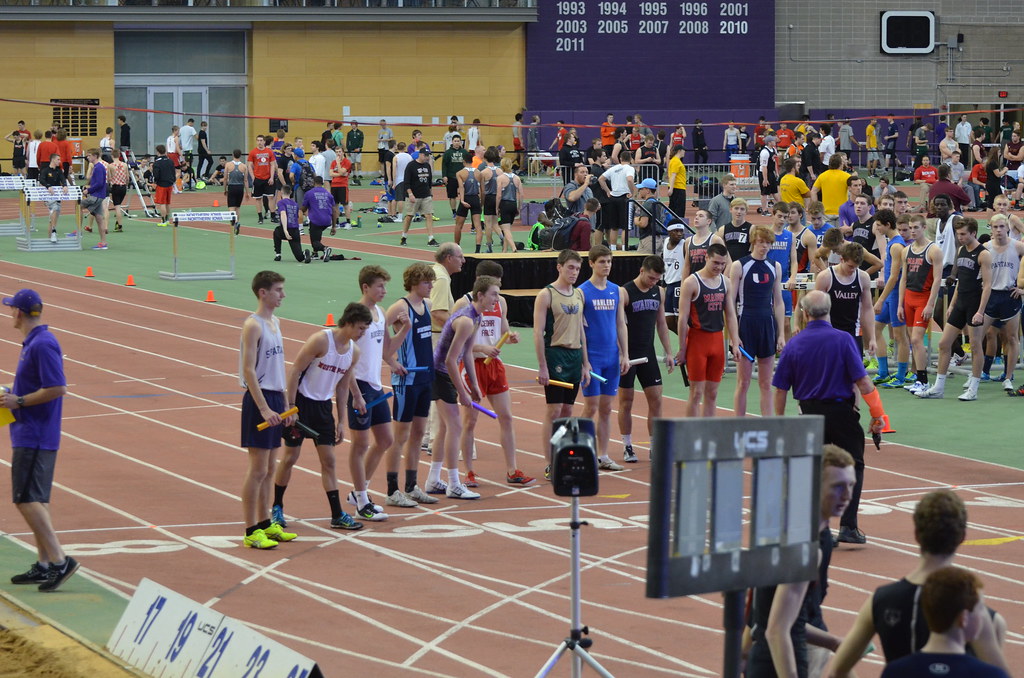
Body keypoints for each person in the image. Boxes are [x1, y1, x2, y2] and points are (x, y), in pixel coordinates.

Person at [829, 490, 1009, 678]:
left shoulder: (882, 600)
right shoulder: (972, 605)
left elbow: (838, 671)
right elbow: (999, 672)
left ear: (916, 534)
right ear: (962, 536)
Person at [773, 290, 888, 545]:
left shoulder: (794, 343)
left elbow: (780, 389)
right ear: (829, 310)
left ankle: (818, 527)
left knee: (812, 468)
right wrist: (878, 414)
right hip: (842, 413)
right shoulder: (844, 339)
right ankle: (848, 525)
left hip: (809, 412)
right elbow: (864, 383)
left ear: (804, 313)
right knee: (854, 464)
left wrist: (778, 421)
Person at [745, 445, 856, 678]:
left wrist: (834, 642)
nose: (847, 495)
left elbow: (768, 613)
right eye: (837, 487)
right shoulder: (804, 547)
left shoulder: (788, 531)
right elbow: (776, 629)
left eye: (851, 485)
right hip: (780, 665)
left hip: (769, 660)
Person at [1, 290, 78, 592]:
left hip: (35, 434)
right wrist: (12, 393)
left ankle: (60, 561)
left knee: (25, 499)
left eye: (11, 310)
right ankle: (44, 564)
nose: (9, 314)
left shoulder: (43, 344)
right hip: (31, 431)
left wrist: (17, 400)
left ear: (18, 313)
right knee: (37, 499)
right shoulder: (35, 343)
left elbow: (58, 388)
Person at [270, 304, 368, 531]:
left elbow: (343, 387)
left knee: (330, 461)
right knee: (290, 458)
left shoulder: (354, 351)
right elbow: (295, 371)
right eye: (361, 328)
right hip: (302, 404)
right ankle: (277, 507)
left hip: (323, 409)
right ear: (350, 323)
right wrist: (291, 407)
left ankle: (336, 515)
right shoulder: (320, 340)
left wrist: (341, 421)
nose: (362, 333)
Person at [451, 261, 536, 485]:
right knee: (470, 421)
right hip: (472, 366)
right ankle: (468, 471)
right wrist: (480, 348)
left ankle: (512, 469)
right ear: (481, 284)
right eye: (494, 289)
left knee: (507, 417)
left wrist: (511, 336)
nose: (497, 295)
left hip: (495, 365)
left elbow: (503, 328)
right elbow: (454, 341)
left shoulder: (502, 303)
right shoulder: (463, 303)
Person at [426, 276, 500, 500]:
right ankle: (454, 483)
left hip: (444, 373)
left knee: (448, 429)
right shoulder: (467, 320)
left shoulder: (476, 317)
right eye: (494, 294)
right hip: (441, 373)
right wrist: (462, 391)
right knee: (455, 427)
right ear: (480, 295)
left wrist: (474, 386)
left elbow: (467, 352)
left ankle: (432, 478)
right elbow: (450, 359)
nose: (497, 299)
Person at [238, 271, 298, 549]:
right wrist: (263, 408)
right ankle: (251, 528)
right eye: (278, 290)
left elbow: (278, 367)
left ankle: (265, 523)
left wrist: (285, 404)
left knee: (270, 468)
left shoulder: (275, 322)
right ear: (263, 293)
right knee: (258, 469)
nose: (283, 295)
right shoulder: (254, 325)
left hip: (276, 398)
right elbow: (249, 369)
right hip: (259, 400)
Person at [381, 263, 443, 507]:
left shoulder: (426, 306)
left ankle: (411, 486)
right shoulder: (399, 307)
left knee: (418, 433)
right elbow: (378, 332)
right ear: (415, 283)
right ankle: (391, 490)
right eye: (428, 282)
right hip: (406, 381)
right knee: (400, 436)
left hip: (424, 378)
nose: (431, 287)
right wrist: (391, 361)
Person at [347, 266, 405, 520]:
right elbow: (345, 355)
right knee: (361, 445)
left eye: (385, 286)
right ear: (365, 287)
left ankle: (361, 491)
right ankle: (361, 501)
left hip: (374, 385)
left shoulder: (381, 314)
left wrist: (404, 331)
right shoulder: (355, 315)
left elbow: (385, 349)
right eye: (379, 286)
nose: (384, 291)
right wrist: (355, 394)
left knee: (385, 440)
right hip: (358, 386)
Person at [877, 568, 1009, 678]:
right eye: (980, 609)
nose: (984, 616)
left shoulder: (895, 671)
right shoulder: (989, 674)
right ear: (963, 618)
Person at [918, 218, 992, 400]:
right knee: (944, 344)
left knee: (975, 346)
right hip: (960, 304)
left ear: (973, 233)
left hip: (975, 304)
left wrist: (980, 312)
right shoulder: (960, 250)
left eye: (963, 234)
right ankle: (939, 387)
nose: (960, 237)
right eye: (958, 234)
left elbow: (988, 285)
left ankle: (973, 388)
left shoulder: (984, 255)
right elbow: (960, 282)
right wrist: (951, 305)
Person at [534, 250, 590, 478]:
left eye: (577, 269)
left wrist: (586, 363)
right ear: (559, 267)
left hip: (574, 357)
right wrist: (542, 365)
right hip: (555, 355)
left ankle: (562, 455)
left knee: (567, 411)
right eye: (570, 268)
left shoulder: (579, 294)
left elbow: (582, 332)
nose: (574, 272)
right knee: (554, 411)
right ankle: (551, 461)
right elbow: (538, 333)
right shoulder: (546, 294)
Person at [617, 256, 675, 462]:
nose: (653, 282)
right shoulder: (625, 292)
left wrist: (668, 352)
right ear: (642, 271)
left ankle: (654, 446)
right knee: (626, 401)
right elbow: (619, 326)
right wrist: (622, 354)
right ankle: (627, 445)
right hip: (628, 355)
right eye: (651, 278)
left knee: (656, 399)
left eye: (657, 279)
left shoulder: (658, 292)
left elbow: (661, 324)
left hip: (647, 353)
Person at [579, 245, 630, 471]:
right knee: (590, 407)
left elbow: (621, 323)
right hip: (593, 358)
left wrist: (625, 354)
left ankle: (603, 455)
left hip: (611, 358)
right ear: (591, 263)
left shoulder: (616, 290)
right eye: (601, 262)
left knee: (608, 408)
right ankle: (582, 452)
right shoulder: (582, 292)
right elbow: (579, 329)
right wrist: (585, 361)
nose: (606, 265)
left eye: (609, 261)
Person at [675, 243, 739, 416]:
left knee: (712, 394)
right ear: (706, 258)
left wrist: (735, 341)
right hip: (697, 341)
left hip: (717, 342)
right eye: (715, 263)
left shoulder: (725, 283)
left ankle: (708, 433)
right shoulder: (691, 283)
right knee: (696, 393)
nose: (719, 267)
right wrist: (682, 348)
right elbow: (682, 318)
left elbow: (731, 314)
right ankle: (693, 435)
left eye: (722, 264)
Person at [730, 225, 785, 417]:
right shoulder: (739, 265)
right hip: (746, 322)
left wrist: (781, 335)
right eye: (761, 242)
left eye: (768, 243)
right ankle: (739, 426)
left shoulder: (774, 266)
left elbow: (778, 302)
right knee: (743, 382)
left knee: (766, 382)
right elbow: (730, 302)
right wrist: (733, 336)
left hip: (767, 325)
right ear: (753, 241)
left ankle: (767, 425)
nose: (765, 246)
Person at [898, 214, 943, 394]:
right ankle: (918, 378)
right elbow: (903, 279)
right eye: (911, 228)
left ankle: (923, 381)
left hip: (923, 299)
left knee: (917, 339)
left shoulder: (933, 250)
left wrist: (930, 304)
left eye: (916, 227)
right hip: (909, 298)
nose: (913, 231)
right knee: (913, 341)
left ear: (924, 227)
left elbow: (938, 279)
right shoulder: (906, 251)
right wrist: (900, 304)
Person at [979, 215, 1024, 392]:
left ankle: (1008, 377)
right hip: (990, 296)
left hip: (1009, 296)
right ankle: (977, 374)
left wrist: (1023, 289)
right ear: (990, 228)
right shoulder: (985, 249)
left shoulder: (1018, 246)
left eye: (1001, 226)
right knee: (978, 337)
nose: (998, 230)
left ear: (1008, 228)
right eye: (995, 227)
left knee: (1011, 338)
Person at [814, 242, 877, 359]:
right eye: (850, 266)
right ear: (841, 259)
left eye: (856, 267)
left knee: (854, 374)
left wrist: (872, 338)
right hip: (830, 331)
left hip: (853, 332)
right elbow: (818, 310)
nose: (853, 270)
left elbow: (867, 309)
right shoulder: (825, 277)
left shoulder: (863, 277)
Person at [871, 210, 911, 387]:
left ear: (887, 225)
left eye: (879, 224)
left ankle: (901, 376)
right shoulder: (891, 243)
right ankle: (883, 371)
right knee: (875, 328)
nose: (877, 228)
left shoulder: (896, 246)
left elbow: (894, 276)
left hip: (895, 296)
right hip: (890, 295)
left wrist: (880, 300)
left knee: (901, 336)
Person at [399, 143, 438, 248]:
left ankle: (431, 238)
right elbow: (406, 182)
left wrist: (430, 192)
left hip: (426, 195)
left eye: (428, 156)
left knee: (429, 215)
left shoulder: (427, 166)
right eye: (425, 155)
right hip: (414, 196)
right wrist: (410, 194)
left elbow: (429, 181)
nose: (427, 157)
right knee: (409, 216)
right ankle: (404, 236)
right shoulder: (411, 166)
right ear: (420, 155)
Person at [597, 151, 636, 251]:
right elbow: (630, 179)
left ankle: (613, 248)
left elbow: (601, 179)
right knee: (625, 227)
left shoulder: (614, 168)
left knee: (614, 227)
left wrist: (608, 191)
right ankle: (624, 248)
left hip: (613, 198)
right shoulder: (630, 168)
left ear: (620, 159)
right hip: (624, 198)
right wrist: (632, 191)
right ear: (630, 159)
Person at [300, 176, 336, 262]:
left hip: (316, 219)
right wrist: (334, 226)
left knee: (314, 241)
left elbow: (304, 208)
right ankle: (315, 253)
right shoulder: (328, 194)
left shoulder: (309, 193)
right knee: (317, 234)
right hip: (327, 220)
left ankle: (325, 249)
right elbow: (334, 211)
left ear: (313, 182)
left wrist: (300, 211)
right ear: (322, 183)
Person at [81, 148, 109, 250]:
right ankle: (103, 242)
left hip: (96, 196)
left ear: (95, 156)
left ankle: (78, 231)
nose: (88, 157)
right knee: (99, 218)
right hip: (98, 195)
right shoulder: (97, 167)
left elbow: (100, 183)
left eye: (89, 155)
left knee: (78, 205)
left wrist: (89, 190)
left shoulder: (98, 167)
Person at [248, 135, 277, 225]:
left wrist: (272, 177)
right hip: (258, 179)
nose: (260, 142)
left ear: (264, 142)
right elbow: (249, 165)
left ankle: (273, 216)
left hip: (268, 178)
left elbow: (273, 165)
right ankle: (260, 217)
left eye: (261, 140)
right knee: (258, 199)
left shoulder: (269, 152)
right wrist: (253, 177)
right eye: (258, 140)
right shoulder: (253, 152)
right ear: (256, 142)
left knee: (271, 197)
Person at [495, 158, 522, 252]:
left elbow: (498, 195)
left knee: (505, 229)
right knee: (508, 228)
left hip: (505, 204)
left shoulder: (500, 178)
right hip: (513, 204)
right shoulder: (517, 178)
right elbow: (521, 195)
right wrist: (519, 207)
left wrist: (497, 207)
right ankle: (504, 250)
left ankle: (514, 248)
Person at [272, 185, 304, 263]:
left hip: (287, 228)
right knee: (299, 257)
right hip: (295, 230)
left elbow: (283, 214)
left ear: (281, 192)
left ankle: (278, 254)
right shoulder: (295, 204)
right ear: (290, 193)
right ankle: (305, 254)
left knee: (276, 232)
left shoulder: (281, 202)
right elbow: (297, 216)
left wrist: (285, 230)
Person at [718, 197, 753, 261]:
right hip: (728, 264)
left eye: (742, 209)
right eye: (736, 208)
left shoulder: (751, 229)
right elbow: (720, 250)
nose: (739, 212)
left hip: (745, 263)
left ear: (746, 212)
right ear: (731, 210)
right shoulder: (723, 229)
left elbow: (754, 250)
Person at [150, 144, 175, 227]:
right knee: (168, 202)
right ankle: (167, 219)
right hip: (169, 183)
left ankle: (163, 220)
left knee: (162, 203)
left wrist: (155, 182)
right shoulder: (170, 161)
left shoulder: (157, 163)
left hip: (161, 184)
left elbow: (156, 175)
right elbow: (173, 172)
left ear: (158, 152)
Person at [224, 149, 249, 234]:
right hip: (240, 188)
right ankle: (237, 222)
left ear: (232, 155)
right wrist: (247, 192)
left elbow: (225, 179)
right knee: (237, 207)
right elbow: (245, 180)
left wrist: (224, 189)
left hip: (231, 186)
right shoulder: (244, 166)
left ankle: (232, 220)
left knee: (231, 206)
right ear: (240, 155)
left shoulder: (228, 165)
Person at [666, 144, 688, 218]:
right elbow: (673, 175)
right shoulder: (676, 161)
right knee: (679, 210)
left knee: (673, 209)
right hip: (678, 188)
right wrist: (671, 188)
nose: (684, 152)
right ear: (679, 151)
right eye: (683, 150)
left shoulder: (674, 160)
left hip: (677, 187)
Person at [345, 120, 364, 185]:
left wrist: (359, 148)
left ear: (356, 125)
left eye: (354, 124)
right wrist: (348, 150)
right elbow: (347, 142)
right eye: (352, 124)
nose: (353, 126)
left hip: (358, 150)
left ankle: (359, 174)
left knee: (358, 162)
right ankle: (354, 174)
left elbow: (361, 141)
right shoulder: (349, 133)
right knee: (352, 163)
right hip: (351, 150)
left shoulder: (360, 132)